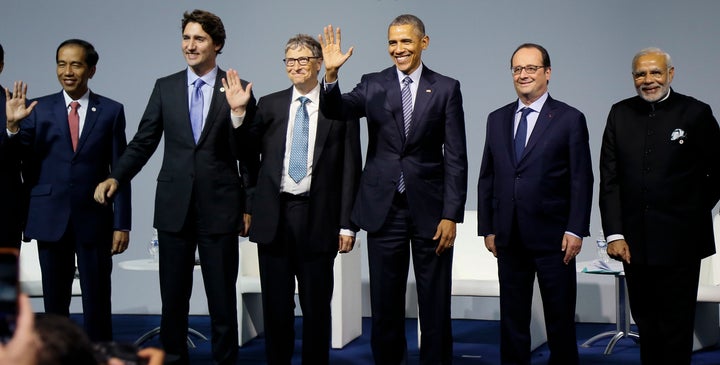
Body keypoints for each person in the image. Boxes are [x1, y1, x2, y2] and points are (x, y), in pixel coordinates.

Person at [94, 9, 256, 365]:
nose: (190, 45)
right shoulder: (165, 87)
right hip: (173, 208)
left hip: (220, 209)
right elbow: (142, 142)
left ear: (217, 44)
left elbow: (248, 155)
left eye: (199, 38)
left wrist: (239, 116)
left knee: (222, 303)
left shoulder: (237, 89)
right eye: (186, 38)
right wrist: (115, 177)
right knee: (173, 302)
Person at [319, 14, 468, 364]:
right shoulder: (373, 84)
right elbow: (336, 110)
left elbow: (457, 156)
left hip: (431, 214)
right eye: (392, 42)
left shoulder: (446, 88)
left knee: (434, 302)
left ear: (423, 43)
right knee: (385, 304)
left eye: (405, 41)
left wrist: (451, 214)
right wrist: (330, 75)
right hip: (384, 210)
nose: (398, 49)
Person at [226, 33, 361, 364]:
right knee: (277, 307)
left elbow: (350, 169)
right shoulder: (270, 105)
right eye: (290, 60)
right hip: (275, 217)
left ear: (318, 64)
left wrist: (348, 224)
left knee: (316, 307)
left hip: (319, 218)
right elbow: (246, 153)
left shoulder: (340, 109)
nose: (296, 66)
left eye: (303, 59)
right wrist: (239, 115)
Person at [599, 47, 720, 365]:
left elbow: (718, 171)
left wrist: (692, 211)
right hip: (633, 244)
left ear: (670, 74)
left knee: (677, 325)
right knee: (647, 324)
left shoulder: (696, 113)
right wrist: (614, 234)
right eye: (641, 74)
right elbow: (609, 178)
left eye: (655, 72)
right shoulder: (619, 113)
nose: (648, 80)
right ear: (633, 78)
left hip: (682, 241)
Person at [5, 39, 131, 342]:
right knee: (55, 304)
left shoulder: (111, 111)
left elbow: (121, 171)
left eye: (75, 64)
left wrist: (121, 223)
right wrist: (12, 127)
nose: (67, 71)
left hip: (95, 218)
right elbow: (16, 159)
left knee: (98, 300)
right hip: (49, 217)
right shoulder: (36, 109)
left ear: (91, 69)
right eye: (61, 63)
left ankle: (100, 355)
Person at [477, 43, 593, 365]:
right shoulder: (496, 119)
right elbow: (487, 176)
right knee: (512, 321)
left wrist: (575, 229)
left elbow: (581, 179)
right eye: (517, 69)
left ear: (547, 73)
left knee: (559, 321)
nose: (523, 74)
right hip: (509, 237)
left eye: (531, 68)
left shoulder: (569, 119)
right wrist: (487, 227)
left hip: (555, 239)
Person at [0, 43, 25, 249]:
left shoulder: (16, 108)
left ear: (1, 66)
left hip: (4, 218)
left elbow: (22, 161)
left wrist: (11, 128)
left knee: (4, 281)